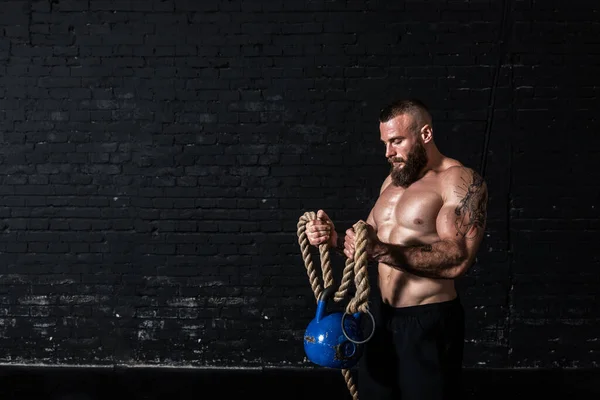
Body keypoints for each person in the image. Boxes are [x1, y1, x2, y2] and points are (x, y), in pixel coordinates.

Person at [305, 99, 488, 400]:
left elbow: (458, 258)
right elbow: (365, 244)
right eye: (385, 143)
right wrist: (333, 238)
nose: (388, 152)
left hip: (428, 321)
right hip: (381, 316)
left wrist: (381, 252)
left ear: (425, 134)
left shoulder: (458, 181)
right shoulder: (391, 181)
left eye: (397, 141)